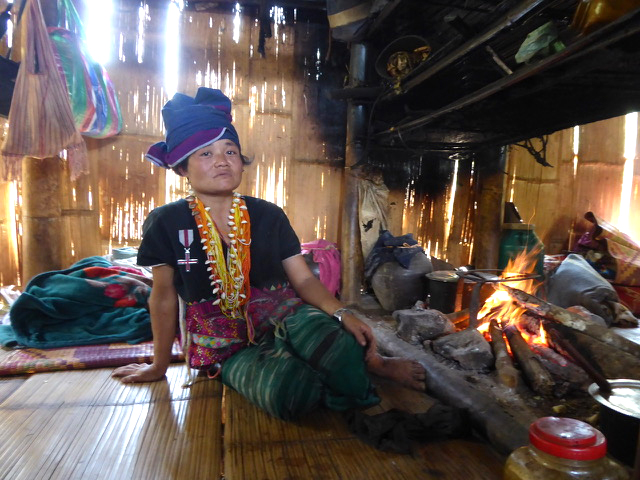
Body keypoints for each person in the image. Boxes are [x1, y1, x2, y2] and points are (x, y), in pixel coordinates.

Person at [112, 87, 425, 420]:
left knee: (340, 341)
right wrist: (159, 366)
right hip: (225, 345)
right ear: (182, 168)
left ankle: (373, 364)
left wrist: (341, 312)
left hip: (285, 317)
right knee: (291, 392)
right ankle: (334, 377)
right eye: (205, 153)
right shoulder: (166, 222)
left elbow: (303, 279)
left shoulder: (268, 214)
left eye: (230, 151)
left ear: (241, 162)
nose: (221, 160)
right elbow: (162, 297)